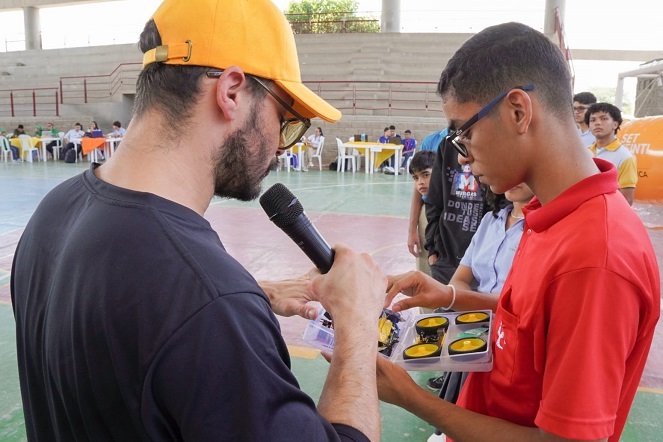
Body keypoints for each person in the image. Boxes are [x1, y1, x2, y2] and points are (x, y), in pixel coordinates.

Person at [11, 1, 387, 441]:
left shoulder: (53, 214)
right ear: (231, 91)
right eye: (285, 119)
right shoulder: (210, 304)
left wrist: (251, 295)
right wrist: (358, 325)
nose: (282, 146)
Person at [375, 22, 659, 442]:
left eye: (464, 133)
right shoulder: (548, 215)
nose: (464, 158)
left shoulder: (595, 258)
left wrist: (413, 399)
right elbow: (529, 319)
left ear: (518, 112)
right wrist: (451, 295)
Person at [586, 102, 637, 205]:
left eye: (604, 119)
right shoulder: (585, 152)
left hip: (606, 214)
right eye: (593, 120)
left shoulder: (625, 157)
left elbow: (627, 200)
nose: (597, 123)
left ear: (615, 124)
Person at [408, 150, 436, 276]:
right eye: (416, 178)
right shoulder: (430, 141)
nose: (420, 182)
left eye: (425, 175)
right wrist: (412, 230)